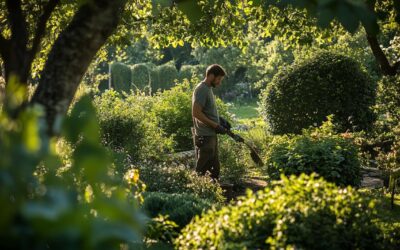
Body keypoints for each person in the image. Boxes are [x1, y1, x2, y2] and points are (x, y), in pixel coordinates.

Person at [192, 64, 227, 180]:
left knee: (214, 170)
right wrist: (215, 125)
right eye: (218, 79)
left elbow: (206, 111)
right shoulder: (201, 89)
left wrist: (219, 120)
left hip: (210, 134)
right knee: (202, 170)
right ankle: (197, 194)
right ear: (211, 76)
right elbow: (196, 113)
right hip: (205, 136)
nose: (219, 83)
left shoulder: (208, 89)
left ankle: (212, 195)